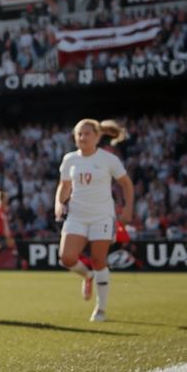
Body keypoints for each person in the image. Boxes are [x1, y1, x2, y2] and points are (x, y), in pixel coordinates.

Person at [54, 119, 134, 322]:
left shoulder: (109, 159)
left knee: (99, 260)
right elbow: (64, 186)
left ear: (97, 136)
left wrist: (127, 208)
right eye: (79, 134)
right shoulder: (70, 159)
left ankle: (101, 309)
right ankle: (87, 276)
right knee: (67, 258)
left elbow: (126, 184)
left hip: (102, 216)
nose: (82, 137)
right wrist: (58, 203)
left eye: (86, 134)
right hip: (77, 216)